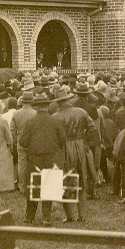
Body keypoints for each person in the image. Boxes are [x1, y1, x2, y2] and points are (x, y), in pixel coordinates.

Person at [20, 94, 66, 225]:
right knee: (49, 186)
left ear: (36, 106)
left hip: (34, 157)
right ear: (47, 106)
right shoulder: (56, 121)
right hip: (51, 157)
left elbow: (23, 141)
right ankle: (46, 217)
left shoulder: (30, 122)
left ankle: (29, 216)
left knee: (33, 186)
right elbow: (63, 139)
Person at [53, 88, 96, 220]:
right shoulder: (81, 112)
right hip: (80, 147)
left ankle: (70, 216)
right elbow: (93, 127)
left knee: (65, 180)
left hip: (65, 149)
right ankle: (82, 215)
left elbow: (56, 137)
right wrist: (85, 141)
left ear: (58, 102)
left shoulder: (56, 116)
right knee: (81, 180)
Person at [11, 91, 37, 195]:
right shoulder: (35, 113)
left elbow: (12, 129)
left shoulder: (16, 113)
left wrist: (14, 140)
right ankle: (31, 185)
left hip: (20, 141)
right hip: (33, 141)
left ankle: (22, 186)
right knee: (32, 163)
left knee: (21, 164)